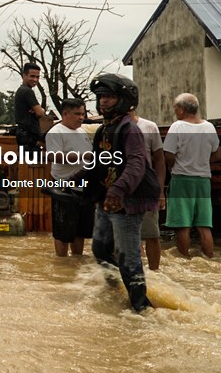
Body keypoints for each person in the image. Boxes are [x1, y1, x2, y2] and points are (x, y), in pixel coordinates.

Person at [87, 73, 159, 312]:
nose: (103, 102)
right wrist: (67, 182)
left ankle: (141, 310)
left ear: (124, 100)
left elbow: (137, 164)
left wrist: (117, 189)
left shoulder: (131, 130)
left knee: (129, 258)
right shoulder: (103, 131)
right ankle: (117, 290)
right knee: (100, 250)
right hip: (107, 203)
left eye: (109, 97)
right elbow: (97, 165)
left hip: (126, 203)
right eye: (100, 97)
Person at [163, 93, 221, 259]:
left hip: (182, 180)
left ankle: (184, 260)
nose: (175, 112)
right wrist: (202, 164)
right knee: (204, 224)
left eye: (175, 108)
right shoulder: (209, 127)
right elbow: (217, 155)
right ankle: (209, 257)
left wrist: (173, 166)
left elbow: (168, 155)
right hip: (203, 181)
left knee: (183, 224)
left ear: (181, 109)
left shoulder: (177, 127)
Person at [44, 98, 95, 257]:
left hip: (83, 185)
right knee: (62, 231)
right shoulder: (55, 132)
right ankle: (62, 263)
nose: (81, 117)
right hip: (63, 186)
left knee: (80, 230)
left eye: (83, 113)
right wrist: (83, 156)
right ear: (65, 114)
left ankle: (76, 261)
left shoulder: (82, 132)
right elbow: (55, 157)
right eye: (77, 114)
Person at [131, 108, 167, 270]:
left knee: (152, 235)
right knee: (120, 237)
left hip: (146, 188)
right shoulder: (109, 127)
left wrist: (160, 191)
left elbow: (159, 159)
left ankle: (155, 273)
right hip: (120, 190)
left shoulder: (149, 127)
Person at [14, 63, 47, 153]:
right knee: (31, 163)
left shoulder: (21, 90)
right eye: (32, 76)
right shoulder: (27, 91)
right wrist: (41, 110)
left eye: (37, 77)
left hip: (23, 133)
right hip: (28, 134)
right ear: (24, 75)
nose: (35, 79)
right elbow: (40, 113)